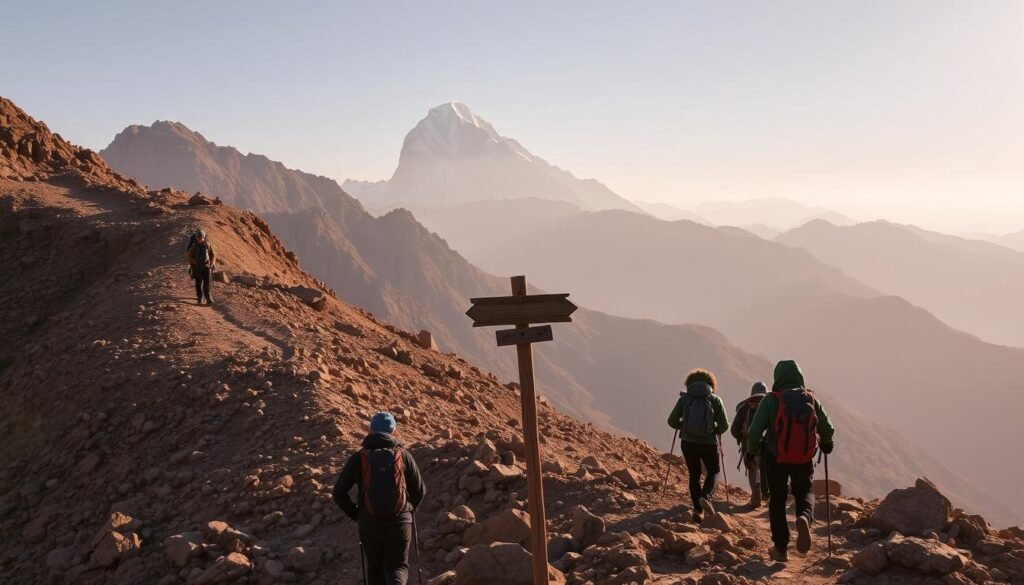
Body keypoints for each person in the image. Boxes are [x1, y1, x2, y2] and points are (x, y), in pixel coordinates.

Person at [746, 360, 835, 562]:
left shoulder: (771, 400)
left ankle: (780, 548)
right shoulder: (810, 399)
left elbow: (754, 432)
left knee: (777, 500)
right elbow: (827, 428)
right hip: (803, 458)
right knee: (804, 492)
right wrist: (827, 444)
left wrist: (751, 452)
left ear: (777, 378)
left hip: (775, 458)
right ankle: (804, 517)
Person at [333, 412, 426, 585]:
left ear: (370, 431)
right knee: (398, 567)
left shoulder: (358, 458)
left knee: (374, 569)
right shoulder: (403, 455)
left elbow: (338, 492)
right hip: (399, 522)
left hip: (369, 522)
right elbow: (420, 491)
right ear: (394, 431)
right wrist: (408, 510)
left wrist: (357, 514)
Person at [667, 368, 729, 524]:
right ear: (710, 384)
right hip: (709, 444)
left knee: (694, 474)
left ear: (690, 384)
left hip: (688, 443)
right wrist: (713, 430)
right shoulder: (715, 400)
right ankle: (706, 497)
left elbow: (672, 421)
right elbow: (724, 425)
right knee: (714, 471)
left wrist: (684, 427)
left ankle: (697, 510)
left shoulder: (684, 399)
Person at [731, 381, 770, 508]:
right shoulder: (770, 405)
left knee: (753, 470)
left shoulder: (745, 407)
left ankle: (755, 497)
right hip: (767, 447)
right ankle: (767, 493)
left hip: (748, 446)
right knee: (766, 469)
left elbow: (734, 430)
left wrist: (742, 437)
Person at [186, 229, 216, 305]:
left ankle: (208, 297)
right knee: (198, 283)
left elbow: (212, 255)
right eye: (198, 238)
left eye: (201, 238)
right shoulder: (194, 246)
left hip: (206, 266)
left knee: (207, 282)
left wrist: (212, 264)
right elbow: (189, 256)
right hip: (197, 267)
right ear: (196, 238)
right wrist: (194, 263)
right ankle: (200, 298)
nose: (199, 239)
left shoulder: (207, 245)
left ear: (203, 237)